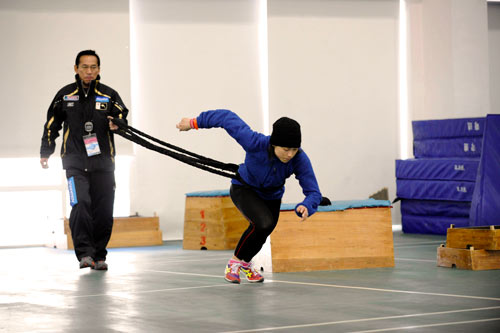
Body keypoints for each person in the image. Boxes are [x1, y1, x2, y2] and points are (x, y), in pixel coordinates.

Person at [176, 109, 322, 283]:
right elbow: (226, 118)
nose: (290, 154)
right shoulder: (255, 142)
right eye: (285, 149)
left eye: (294, 149)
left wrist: (307, 205)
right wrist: (193, 123)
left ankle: (246, 264)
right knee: (263, 223)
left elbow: (313, 191)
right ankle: (234, 263)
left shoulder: (299, 159)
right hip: (244, 189)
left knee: (264, 230)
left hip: (272, 196)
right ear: (274, 144)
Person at [40, 50, 128, 270]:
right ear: (76, 69)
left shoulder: (109, 95)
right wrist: (45, 151)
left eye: (93, 67)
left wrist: (118, 122)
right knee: (80, 205)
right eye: (84, 67)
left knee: (104, 211)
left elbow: (122, 115)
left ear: (98, 70)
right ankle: (85, 254)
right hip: (75, 163)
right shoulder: (65, 95)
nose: (89, 71)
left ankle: (99, 256)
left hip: (104, 164)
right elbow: (51, 124)